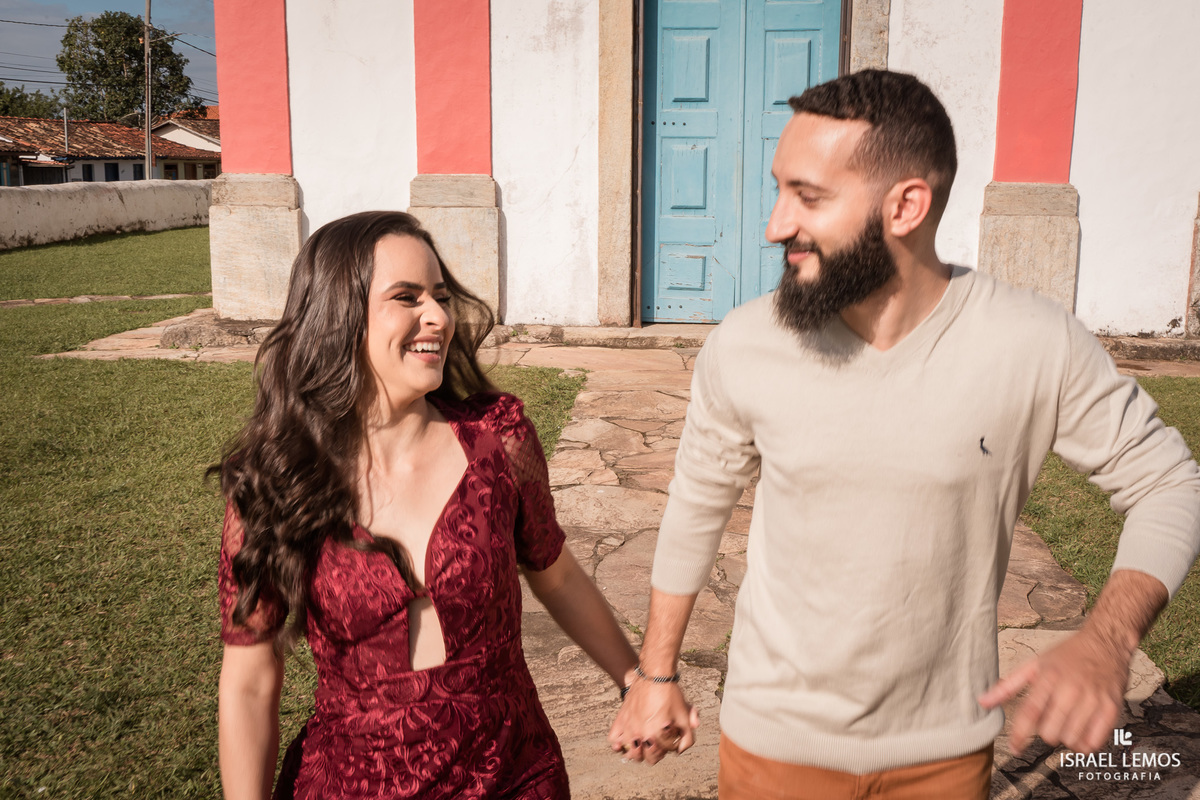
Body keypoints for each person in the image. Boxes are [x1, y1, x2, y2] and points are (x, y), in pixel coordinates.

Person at [608, 69, 1200, 799]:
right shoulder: (745, 343)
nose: (774, 224)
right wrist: (656, 676)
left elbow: (1170, 483)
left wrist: (1109, 640)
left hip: (945, 757)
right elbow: (697, 505)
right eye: (779, 188)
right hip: (774, 748)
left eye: (809, 196)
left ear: (906, 205)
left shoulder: (1032, 344)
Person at [216, 210, 638, 800]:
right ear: (339, 315)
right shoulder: (276, 485)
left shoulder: (499, 442)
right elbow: (250, 681)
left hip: (512, 772)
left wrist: (636, 680)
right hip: (356, 781)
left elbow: (557, 575)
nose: (438, 316)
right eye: (407, 297)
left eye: (440, 295)